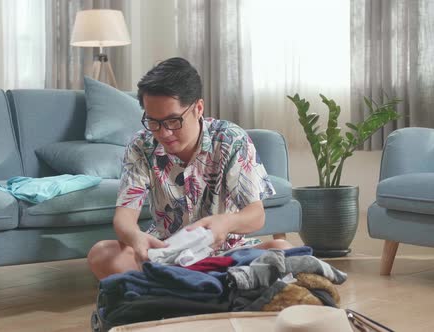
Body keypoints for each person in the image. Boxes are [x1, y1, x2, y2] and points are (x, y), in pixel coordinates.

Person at [87, 57, 292, 280]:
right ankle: (212, 286)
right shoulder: (140, 145)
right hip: (165, 256)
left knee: (284, 250)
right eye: (153, 121)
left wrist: (226, 222)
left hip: (227, 254)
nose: (163, 133)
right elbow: (124, 217)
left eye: (173, 121)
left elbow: (256, 215)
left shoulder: (231, 140)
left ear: (198, 108)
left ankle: (181, 287)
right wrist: (136, 238)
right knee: (102, 254)